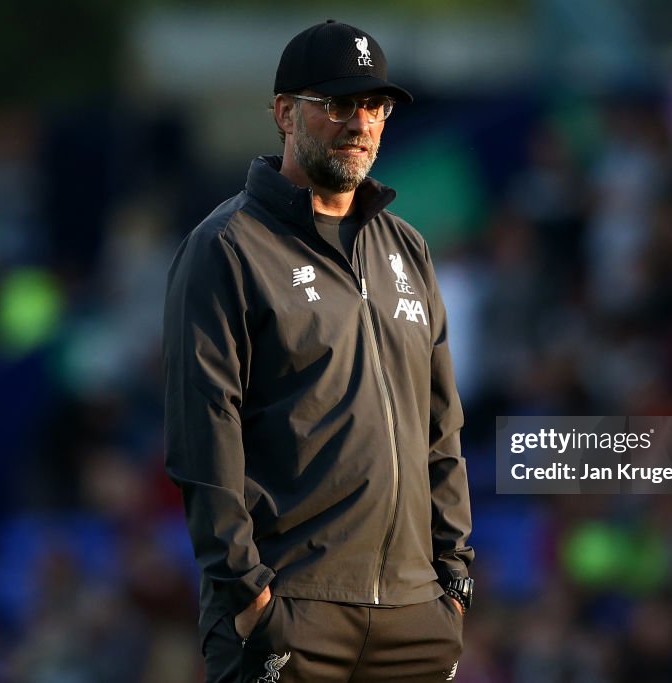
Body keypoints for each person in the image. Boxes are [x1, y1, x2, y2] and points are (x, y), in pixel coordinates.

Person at [162, 19, 474, 682]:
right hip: (290, 613)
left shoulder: (408, 248)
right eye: (337, 104)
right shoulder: (227, 246)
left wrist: (452, 581)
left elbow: (440, 428)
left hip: (414, 618)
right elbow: (201, 434)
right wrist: (252, 596)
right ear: (284, 113)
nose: (360, 122)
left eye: (375, 105)